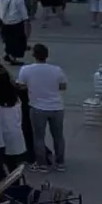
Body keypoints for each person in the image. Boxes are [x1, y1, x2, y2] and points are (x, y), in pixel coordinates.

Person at [17, 43, 68, 171]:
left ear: (34, 55)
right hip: (57, 107)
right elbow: (63, 86)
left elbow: (21, 86)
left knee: (39, 137)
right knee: (58, 136)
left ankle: (42, 164)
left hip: (38, 107)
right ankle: (60, 162)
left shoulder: (26, 70)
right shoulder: (56, 69)